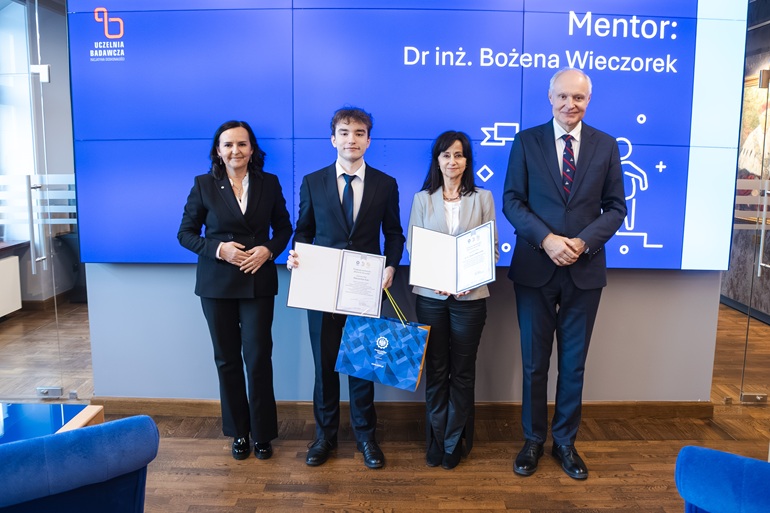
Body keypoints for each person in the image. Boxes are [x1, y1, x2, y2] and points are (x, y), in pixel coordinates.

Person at [503, 68, 626, 479]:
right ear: (550, 98)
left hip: (584, 270)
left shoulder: (606, 145)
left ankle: (565, 444)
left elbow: (616, 208)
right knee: (534, 364)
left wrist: (583, 242)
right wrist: (548, 240)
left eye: (578, 97)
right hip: (534, 268)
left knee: (573, 366)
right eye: (563, 96)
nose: (570, 104)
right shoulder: (526, 141)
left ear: (588, 100)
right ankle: (533, 441)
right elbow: (512, 201)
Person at [288, 107, 405, 469]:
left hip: (364, 288)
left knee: (362, 365)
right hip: (321, 289)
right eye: (344, 132)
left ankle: (366, 438)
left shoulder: (385, 184)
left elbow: (394, 234)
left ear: (368, 140)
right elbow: (304, 230)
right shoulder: (313, 181)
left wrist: (390, 265)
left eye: (359, 133)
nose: (351, 139)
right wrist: (297, 254)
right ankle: (324, 437)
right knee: (324, 368)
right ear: (333, 139)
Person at [178, 120, 292, 460]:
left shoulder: (269, 183)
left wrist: (268, 250)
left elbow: (284, 228)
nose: (235, 150)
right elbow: (185, 234)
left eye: (242, 144)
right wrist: (219, 249)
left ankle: (263, 434)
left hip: (258, 280)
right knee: (226, 360)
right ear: (218, 150)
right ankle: (239, 433)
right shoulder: (203, 185)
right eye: (228, 144)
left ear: (252, 149)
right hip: (217, 284)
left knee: (258, 359)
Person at [407, 130, 499, 470]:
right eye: (446, 155)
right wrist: (438, 280)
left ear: (467, 161)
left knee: (462, 372)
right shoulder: (422, 199)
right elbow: (414, 247)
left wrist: (467, 281)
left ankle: (455, 442)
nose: (452, 161)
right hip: (431, 297)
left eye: (459, 155)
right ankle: (436, 438)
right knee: (436, 369)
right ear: (437, 160)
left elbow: (491, 249)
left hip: (470, 299)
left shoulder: (483, 197)